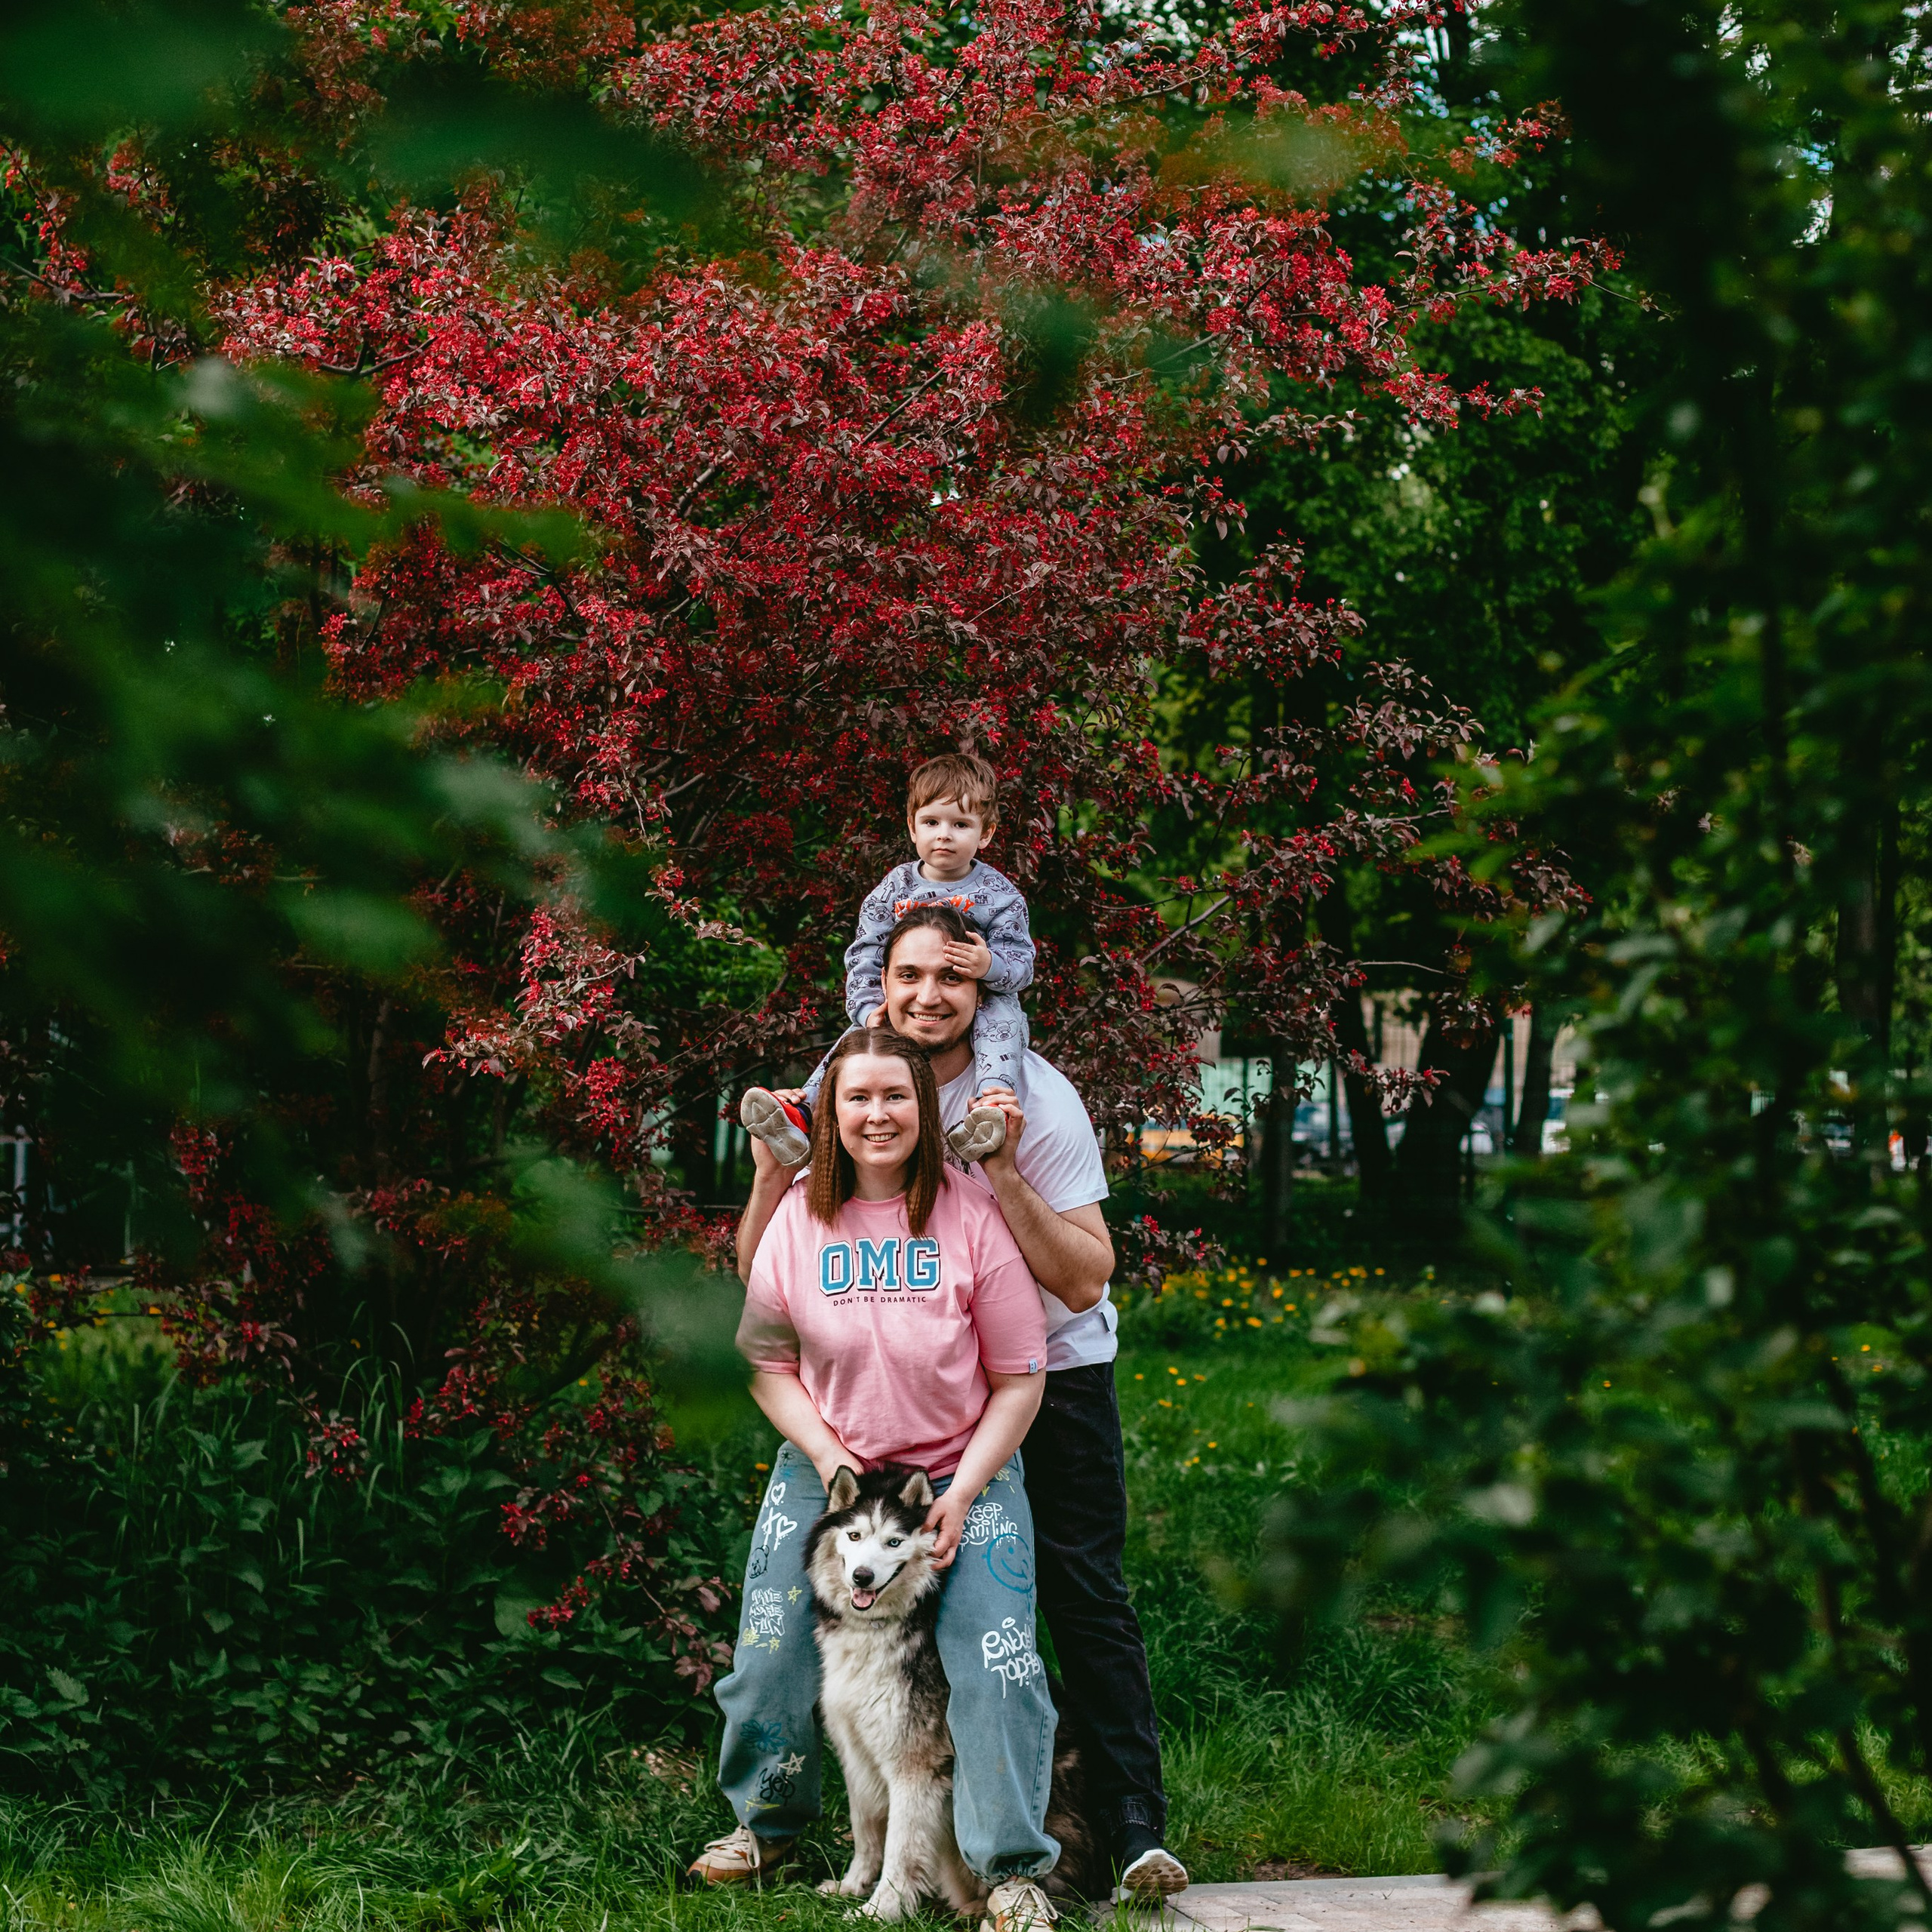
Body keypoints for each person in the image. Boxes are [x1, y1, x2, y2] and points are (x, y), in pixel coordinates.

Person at [734, 905, 1188, 1903]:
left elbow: (1082, 1283)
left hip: (1032, 1385)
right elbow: (769, 1284)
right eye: (910, 974)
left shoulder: (1035, 1101)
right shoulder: (843, 1083)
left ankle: (1113, 1831)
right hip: (851, 1418)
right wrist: (774, 1175)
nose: (930, 993)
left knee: (1053, 1610)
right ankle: (776, 1828)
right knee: (779, 1625)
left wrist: (1001, 1175)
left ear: (986, 991)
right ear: (878, 985)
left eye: (954, 976)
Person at [690, 1028, 1064, 1932]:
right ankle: (763, 1823)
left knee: (997, 1657)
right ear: (831, 1116)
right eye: (855, 1098)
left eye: (895, 1096)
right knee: (771, 1644)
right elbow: (765, 1362)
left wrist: (965, 1492)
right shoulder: (798, 1221)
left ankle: (1009, 1871)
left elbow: (1021, 1375)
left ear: (923, 1109)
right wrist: (826, 1457)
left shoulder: (970, 1215)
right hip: (834, 1465)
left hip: (956, 1463)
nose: (876, 1114)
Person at [740, 752, 1033, 1168]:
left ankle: (989, 1112)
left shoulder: (1002, 896)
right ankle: (801, 1115)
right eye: (932, 823)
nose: (944, 835)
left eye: (961, 825)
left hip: (983, 996)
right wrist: (865, 1009)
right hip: (906, 994)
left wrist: (990, 966)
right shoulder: (894, 887)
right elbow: (865, 953)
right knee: (856, 1043)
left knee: (1003, 1028)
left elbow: (1022, 964)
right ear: (912, 827)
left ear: (986, 834)